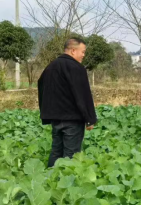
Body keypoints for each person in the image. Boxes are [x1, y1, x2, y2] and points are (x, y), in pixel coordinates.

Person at [38, 38, 97, 167]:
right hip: (72, 120)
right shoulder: (76, 68)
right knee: (71, 154)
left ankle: (50, 176)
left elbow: (41, 86)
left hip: (55, 119)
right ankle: (67, 178)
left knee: (56, 152)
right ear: (73, 51)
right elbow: (83, 95)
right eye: (83, 51)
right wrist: (90, 119)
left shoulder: (50, 67)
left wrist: (47, 112)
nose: (83, 55)